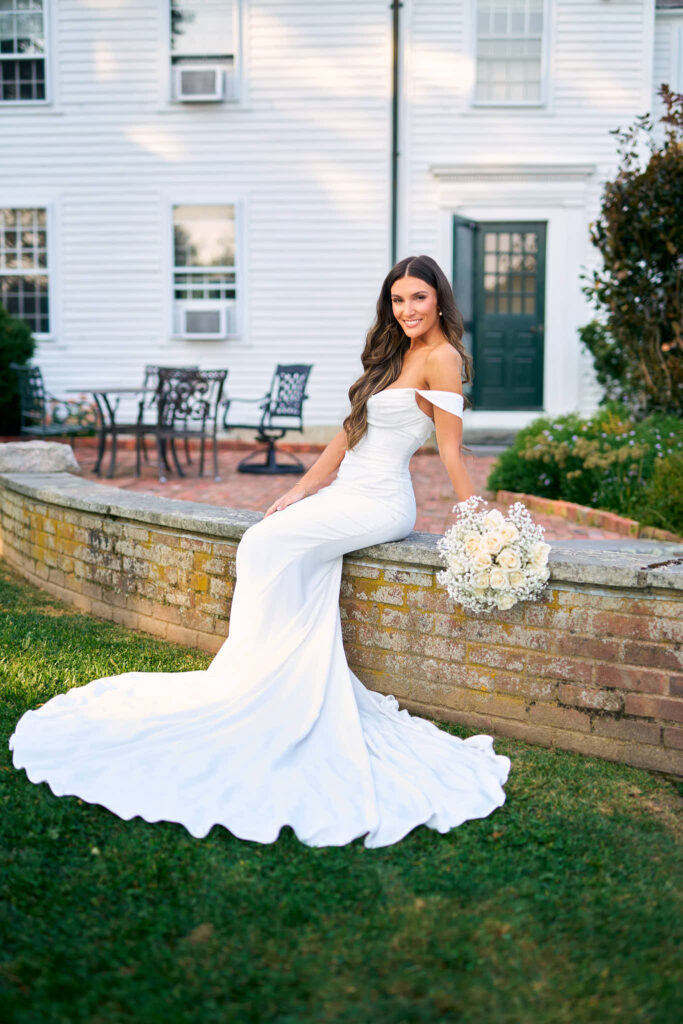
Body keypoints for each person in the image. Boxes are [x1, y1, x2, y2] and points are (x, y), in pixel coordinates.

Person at [10, 255, 511, 849]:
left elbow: (452, 453)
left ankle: (264, 686)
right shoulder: (393, 354)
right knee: (265, 540)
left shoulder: (443, 357)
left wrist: (478, 521)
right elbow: (347, 436)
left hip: (382, 502)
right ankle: (259, 677)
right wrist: (299, 489)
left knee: (267, 545)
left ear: (439, 300)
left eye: (419, 299)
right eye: (399, 300)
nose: (408, 310)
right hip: (347, 489)